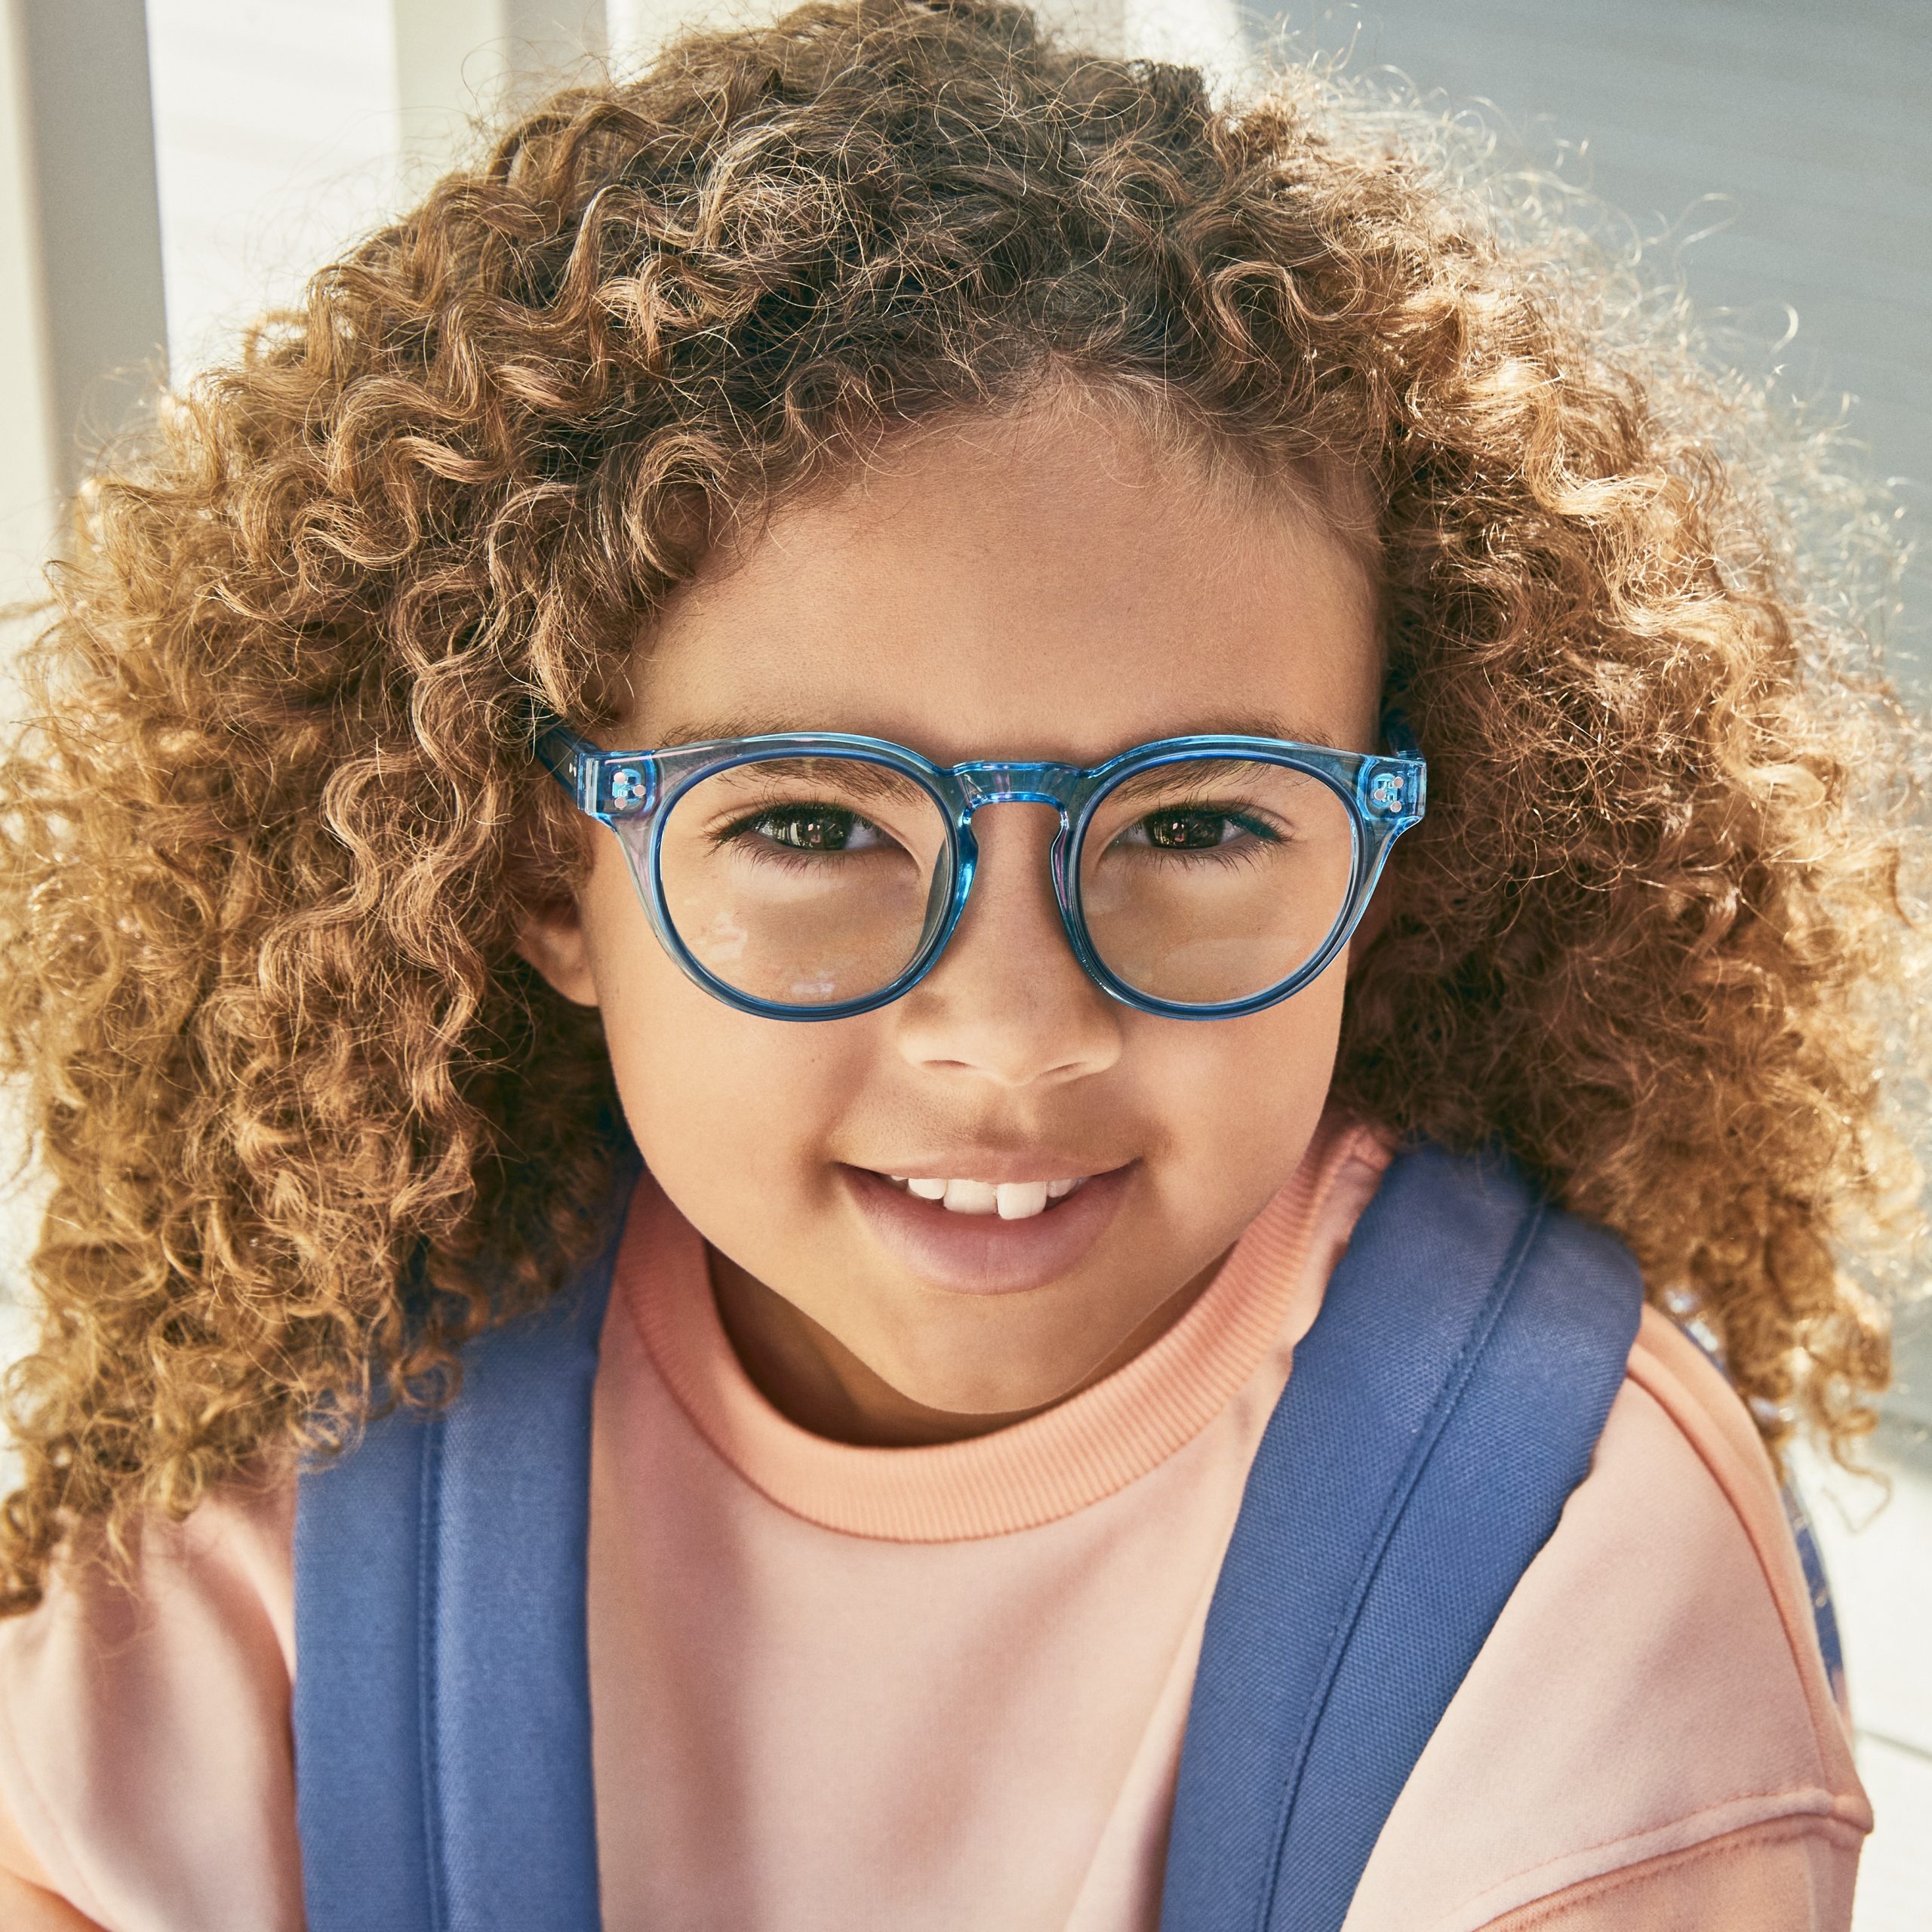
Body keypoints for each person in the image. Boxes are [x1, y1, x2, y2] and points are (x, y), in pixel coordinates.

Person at [0, 1, 1921, 1926]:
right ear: (540, 876)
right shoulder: (292, 1456)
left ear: (1393, 868)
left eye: (1192, 826)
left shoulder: (1561, 1553)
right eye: (812, 827)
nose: (1013, 1031)